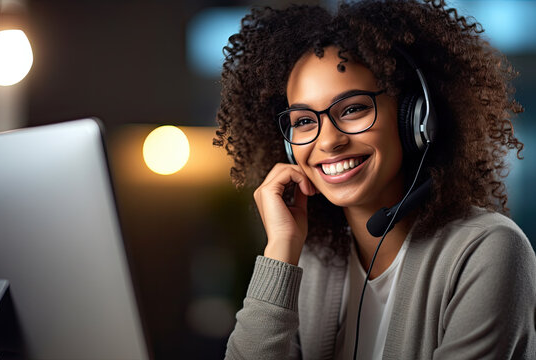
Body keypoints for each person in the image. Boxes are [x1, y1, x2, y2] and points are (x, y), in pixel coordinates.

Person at [214, 0, 536, 359]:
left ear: (415, 118)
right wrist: (281, 252)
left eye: (353, 109)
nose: (327, 141)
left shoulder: (486, 249)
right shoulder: (312, 263)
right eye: (304, 121)